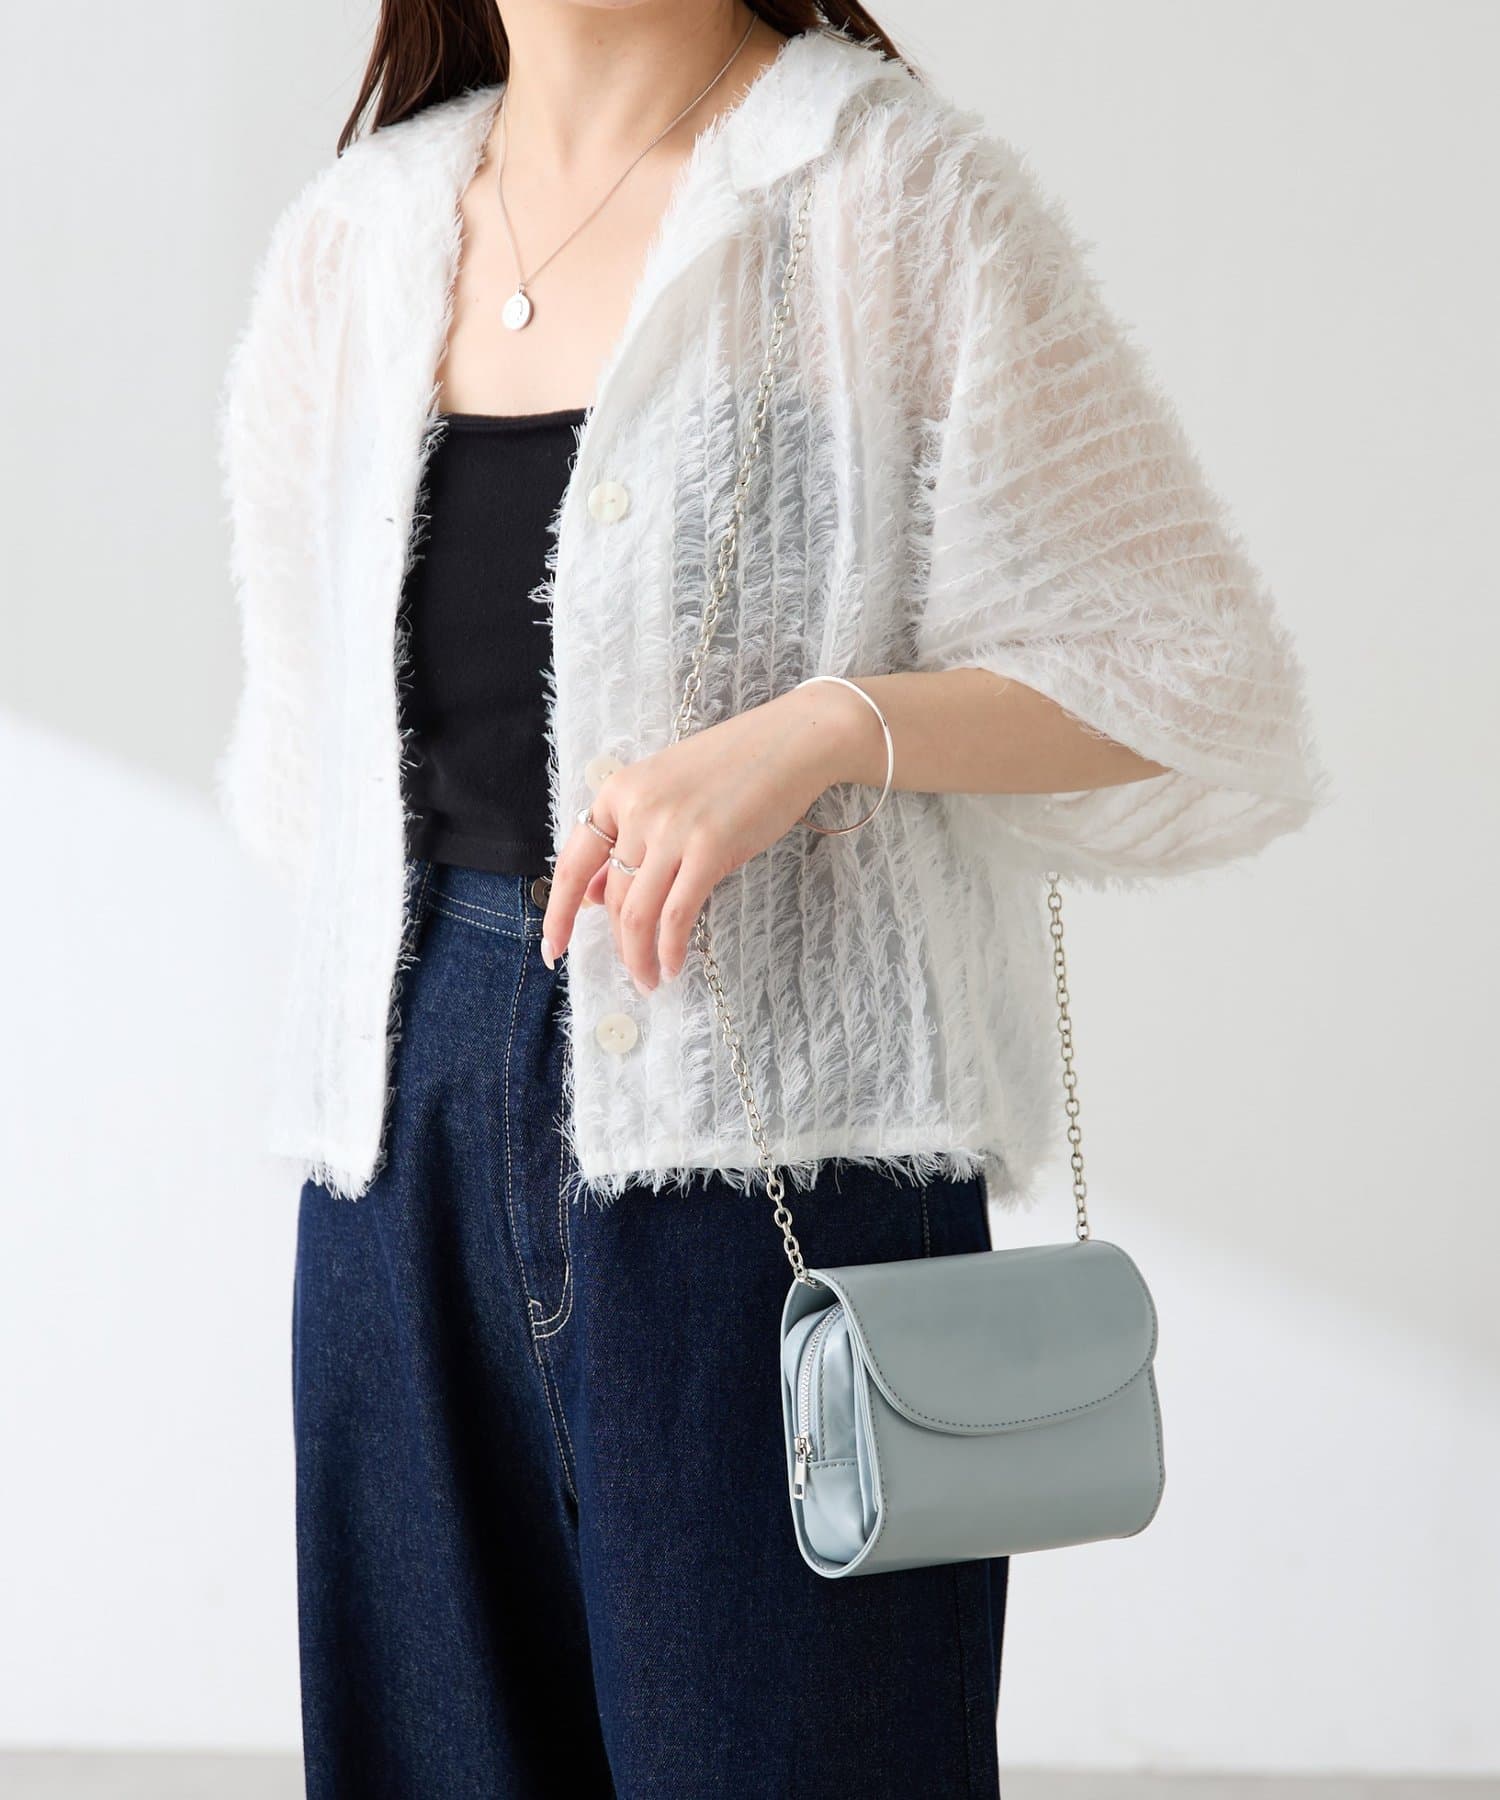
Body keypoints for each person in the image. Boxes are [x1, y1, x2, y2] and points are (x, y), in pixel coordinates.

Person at [216, 3, 1324, 1794]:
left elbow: (1192, 674)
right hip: (395, 1166)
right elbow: (305, 774)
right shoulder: (358, 236)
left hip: (784, 1172)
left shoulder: (887, 190)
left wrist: (823, 733)